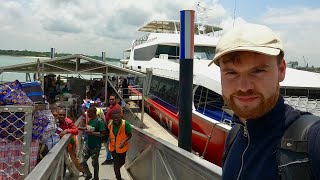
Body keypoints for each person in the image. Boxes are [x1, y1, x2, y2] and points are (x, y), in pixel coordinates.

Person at [208, 23, 320, 179]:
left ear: (281, 70)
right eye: (231, 72)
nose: (244, 86)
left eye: (258, 71)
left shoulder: (312, 141)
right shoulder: (235, 136)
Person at [79, 106, 106, 180]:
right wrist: (80, 128)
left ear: (93, 113)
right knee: (82, 161)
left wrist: (92, 133)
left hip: (96, 145)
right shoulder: (90, 120)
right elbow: (88, 128)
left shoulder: (100, 121)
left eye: (88, 113)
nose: (87, 115)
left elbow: (102, 133)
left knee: (94, 163)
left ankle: (96, 177)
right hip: (88, 144)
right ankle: (88, 174)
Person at [54, 109, 84, 174]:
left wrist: (67, 130)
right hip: (58, 144)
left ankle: (83, 170)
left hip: (70, 143)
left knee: (74, 159)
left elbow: (76, 131)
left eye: (63, 115)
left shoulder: (68, 121)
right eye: (60, 115)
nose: (61, 116)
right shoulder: (54, 121)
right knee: (62, 160)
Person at [107, 109, 132, 180]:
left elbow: (130, 135)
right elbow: (109, 133)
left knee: (122, 162)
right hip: (113, 148)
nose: (116, 120)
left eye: (117, 118)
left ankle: (116, 170)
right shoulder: (111, 124)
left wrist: (124, 141)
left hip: (122, 148)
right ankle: (118, 178)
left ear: (120, 116)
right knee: (116, 164)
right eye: (114, 118)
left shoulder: (125, 124)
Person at [101, 94, 123, 165]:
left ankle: (111, 159)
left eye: (112, 99)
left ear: (115, 99)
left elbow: (117, 119)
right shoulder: (112, 106)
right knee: (109, 144)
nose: (111, 100)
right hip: (109, 128)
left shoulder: (116, 107)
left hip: (112, 129)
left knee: (109, 144)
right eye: (110, 99)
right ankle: (110, 158)